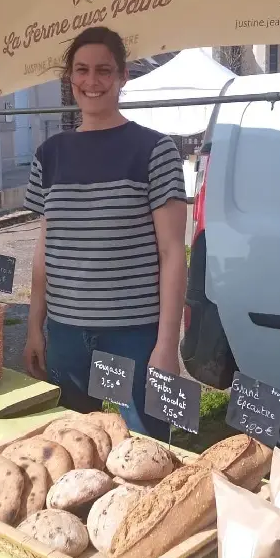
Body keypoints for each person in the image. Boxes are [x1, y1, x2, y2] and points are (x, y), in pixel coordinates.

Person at [22, 26, 187, 440]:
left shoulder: (154, 151)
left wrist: (167, 345)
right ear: (70, 77)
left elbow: (172, 253)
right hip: (65, 334)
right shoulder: (49, 156)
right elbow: (45, 248)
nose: (91, 81)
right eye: (82, 70)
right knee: (75, 448)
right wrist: (34, 326)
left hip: (133, 337)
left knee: (146, 449)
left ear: (122, 76)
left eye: (103, 70)